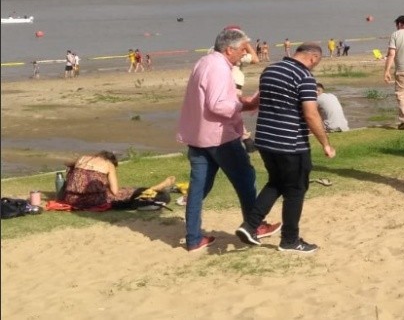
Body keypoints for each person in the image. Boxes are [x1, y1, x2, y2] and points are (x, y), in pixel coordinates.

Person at [177, 28, 281, 252]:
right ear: (229, 50)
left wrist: (240, 101)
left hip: (198, 136)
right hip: (219, 137)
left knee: (198, 189)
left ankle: (194, 238)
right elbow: (217, 105)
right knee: (245, 179)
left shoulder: (204, 63)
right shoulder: (218, 68)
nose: (245, 54)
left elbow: (214, 100)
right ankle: (255, 225)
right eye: (242, 50)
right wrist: (246, 105)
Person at [235, 43, 336, 254]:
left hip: (265, 139)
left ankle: (250, 225)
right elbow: (311, 114)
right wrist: (325, 143)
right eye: (316, 62)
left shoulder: (270, 69)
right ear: (313, 58)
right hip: (290, 143)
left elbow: (260, 101)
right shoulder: (305, 77)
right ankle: (290, 240)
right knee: (296, 190)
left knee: (276, 183)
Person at [59, 150, 176, 210]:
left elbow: (66, 162)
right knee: (127, 192)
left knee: (122, 190)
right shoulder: (109, 164)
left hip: (70, 198)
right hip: (93, 200)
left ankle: (153, 188)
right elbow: (114, 191)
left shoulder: (83, 158)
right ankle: (154, 188)